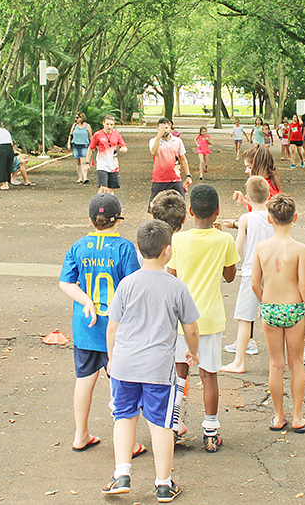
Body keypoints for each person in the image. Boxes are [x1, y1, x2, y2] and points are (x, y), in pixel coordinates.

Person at [102, 220, 200, 501]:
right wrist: (193, 352)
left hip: (124, 364)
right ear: (168, 251)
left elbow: (113, 326)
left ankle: (122, 473)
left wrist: (112, 358)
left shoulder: (127, 284)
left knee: (123, 417)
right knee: (160, 424)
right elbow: (191, 327)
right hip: (158, 368)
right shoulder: (176, 287)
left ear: (138, 249)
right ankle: (164, 483)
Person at [59, 194, 141, 454]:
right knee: (120, 381)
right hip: (116, 328)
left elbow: (65, 282)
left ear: (91, 220)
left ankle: (80, 433)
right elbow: (133, 286)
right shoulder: (124, 248)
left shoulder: (79, 246)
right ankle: (126, 440)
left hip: (86, 326)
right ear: (118, 219)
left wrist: (86, 301)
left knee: (84, 379)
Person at [167, 185, 239, 453]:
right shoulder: (224, 241)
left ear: (190, 211)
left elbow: (172, 276)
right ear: (217, 211)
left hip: (180, 320)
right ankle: (210, 430)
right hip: (209, 318)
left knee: (178, 375)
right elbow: (230, 276)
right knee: (209, 376)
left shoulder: (178, 241)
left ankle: (172, 427)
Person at [252, 194, 305, 433]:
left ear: (270, 219)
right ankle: (298, 416)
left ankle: (278, 415)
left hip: (270, 307)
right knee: (296, 362)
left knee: (275, 363)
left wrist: (265, 302)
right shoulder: (300, 249)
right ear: (295, 218)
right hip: (294, 308)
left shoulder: (262, 247)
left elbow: (254, 283)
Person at [221, 177, 274, 373]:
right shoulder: (272, 216)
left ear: (248, 197)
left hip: (252, 270)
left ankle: (239, 361)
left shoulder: (246, 219)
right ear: (268, 196)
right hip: (271, 272)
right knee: (272, 314)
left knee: (245, 318)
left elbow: (238, 248)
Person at [149, 118, 193, 206]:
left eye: (166, 127)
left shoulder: (177, 141)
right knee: (154, 206)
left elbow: (183, 159)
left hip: (175, 178)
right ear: (157, 128)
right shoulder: (153, 141)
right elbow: (153, 152)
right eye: (162, 128)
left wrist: (188, 175)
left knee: (180, 205)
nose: (165, 130)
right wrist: (158, 137)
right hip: (159, 179)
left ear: (170, 127)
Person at [232, 145, 282, 211]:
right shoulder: (269, 184)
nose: (246, 171)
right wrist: (243, 202)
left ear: (261, 167)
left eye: (249, 167)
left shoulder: (267, 191)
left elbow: (262, 217)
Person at [88, 115, 127, 194]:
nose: (109, 126)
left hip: (113, 165)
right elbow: (90, 148)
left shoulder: (116, 134)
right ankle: (98, 204)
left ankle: (110, 205)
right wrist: (86, 162)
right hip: (102, 164)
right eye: (107, 124)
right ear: (103, 123)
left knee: (110, 189)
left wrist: (123, 149)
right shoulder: (97, 134)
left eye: (111, 125)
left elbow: (124, 146)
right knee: (103, 187)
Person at [68, 112, 94, 184]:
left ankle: (85, 177)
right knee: (78, 162)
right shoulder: (75, 125)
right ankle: (80, 178)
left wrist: (92, 146)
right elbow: (70, 134)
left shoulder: (87, 126)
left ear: (82, 118)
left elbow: (90, 136)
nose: (76, 119)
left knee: (83, 161)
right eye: (76, 118)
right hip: (75, 145)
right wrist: (69, 143)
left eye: (78, 117)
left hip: (84, 145)